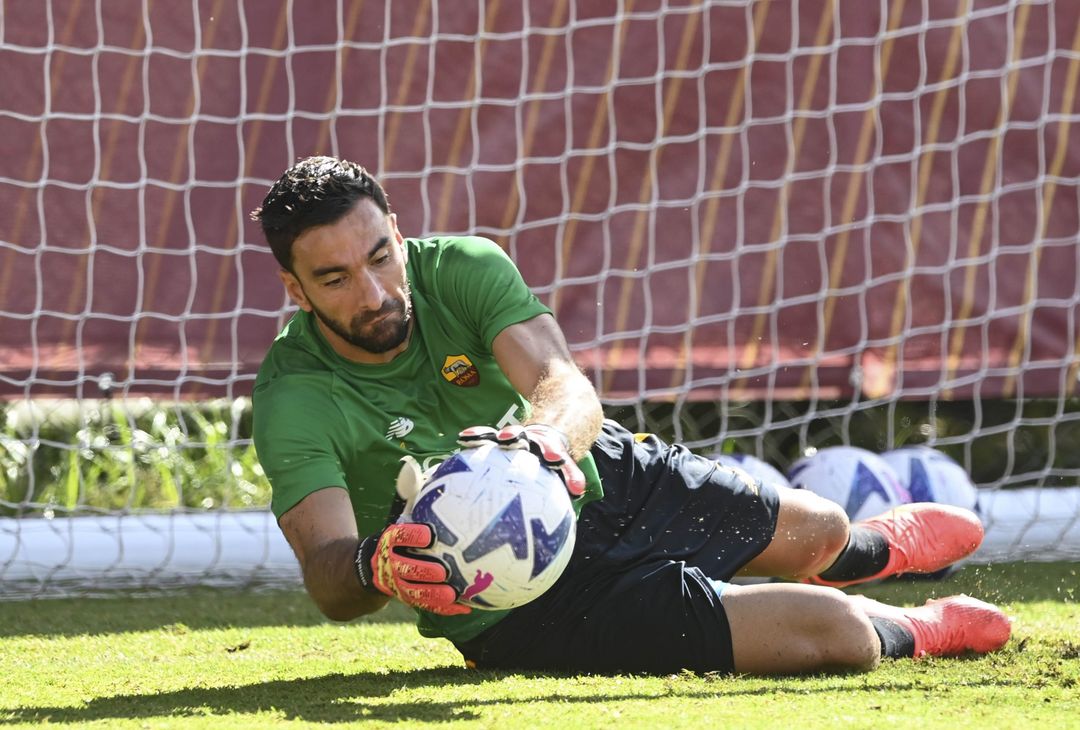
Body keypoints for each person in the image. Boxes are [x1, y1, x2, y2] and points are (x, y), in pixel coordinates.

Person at [249, 156, 1011, 675]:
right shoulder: (293, 396)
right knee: (834, 631)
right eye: (335, 278)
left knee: (823, 530)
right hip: (522, 610)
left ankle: (870, 549)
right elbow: (329, 575)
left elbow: (566, 386)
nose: (375, 294)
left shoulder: (462, 268)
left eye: (380, 257)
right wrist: (377, 563)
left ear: (397, 231)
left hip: (601, 474)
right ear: (295, 288)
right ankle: (919, 626)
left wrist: (541, 448)